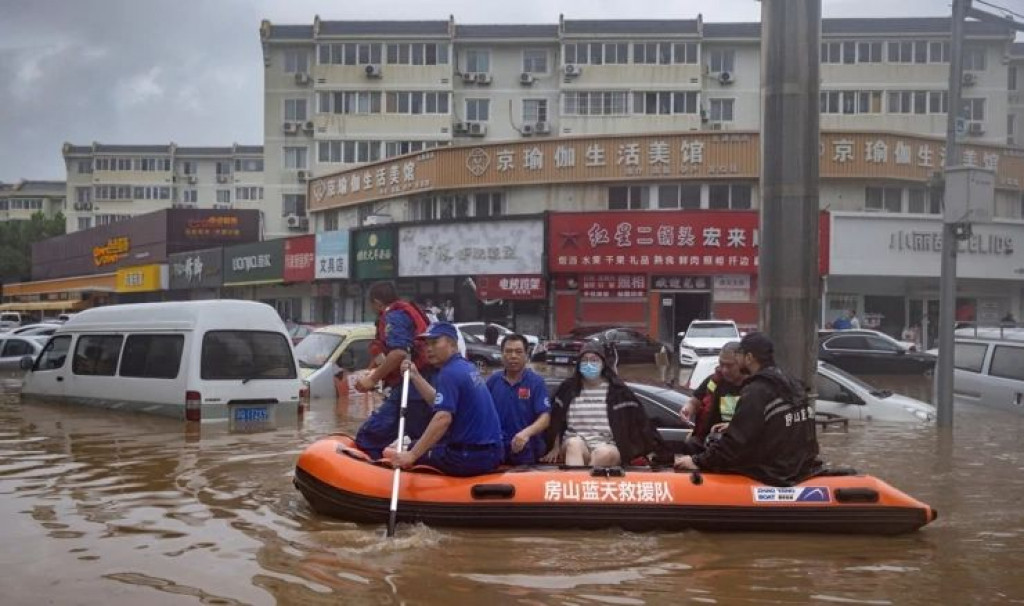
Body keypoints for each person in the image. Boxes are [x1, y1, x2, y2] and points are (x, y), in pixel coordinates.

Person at [674, 333, 822, 487]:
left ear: (749, 358)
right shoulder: (791, 384)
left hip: (771, 473)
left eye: (739, 355)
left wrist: (697, 461)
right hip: (797, 469)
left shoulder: (757, 391)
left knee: (714, 445)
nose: (736, 361)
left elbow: (734, 444)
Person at [388, 323, 504, 476]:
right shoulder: (465, 366)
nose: (429, 349)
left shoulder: (449, 373)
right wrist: (415, 376)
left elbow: (443, 418)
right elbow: (438, 402)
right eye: (427, 344)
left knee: (408, 449)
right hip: (491, 451)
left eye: (435, 342)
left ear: (453, 345)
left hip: (471, 456)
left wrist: (412, 455)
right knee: (417, 445)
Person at [542, 342, 672, 467]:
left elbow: (641, 423)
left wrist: (658, 453)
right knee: (573, 444)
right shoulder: (568, 389)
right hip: (576, 442)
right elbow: (556, 419)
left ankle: (587, 480)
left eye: (594, 360)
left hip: (609, 445)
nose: (589, 364)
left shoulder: (618, 392)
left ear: (603, 363)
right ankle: (577, 479)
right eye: (584, 360)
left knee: (604, 453)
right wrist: (555, 447)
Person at [354, 281, 434, 459]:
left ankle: (372, 473)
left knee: (368, 438)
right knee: (419, 436)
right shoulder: (404, 312)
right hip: (420, 385)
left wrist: (372, 379)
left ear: (377, 302)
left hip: (411, 388)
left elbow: (399, 352)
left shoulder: (394, 317)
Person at [486, 333, 550, 465]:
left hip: (527, 450)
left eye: (518, 352)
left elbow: (545, 418)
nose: (513, 356)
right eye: (508, 351)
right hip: (496, 448)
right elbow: (482, 412)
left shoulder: (536, 382)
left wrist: (526, 433)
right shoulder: (493, 381)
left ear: (526, 355)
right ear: (502, 354)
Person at [678, 342, 745, 454]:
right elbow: (695, 401)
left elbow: (757, 423)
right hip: (705, 443)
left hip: (733, 449)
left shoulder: (753, 388)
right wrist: (687, 409)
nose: (724, 370)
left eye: (729, 365)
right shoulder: (714, 381)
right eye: (721, 364)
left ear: (742, 363)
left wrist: (733, 426)